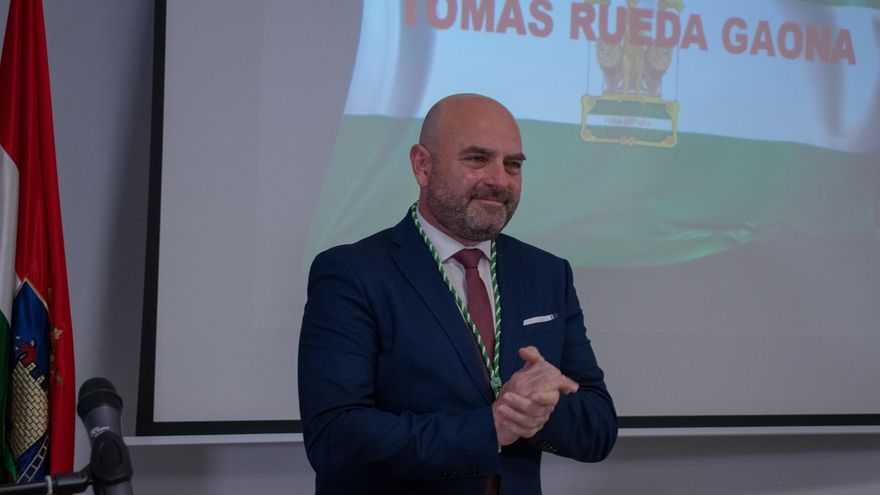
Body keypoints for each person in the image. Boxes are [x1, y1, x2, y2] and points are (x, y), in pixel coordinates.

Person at [298, 94, 617, 494]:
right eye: (476, 159)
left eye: (512, 164)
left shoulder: (548, 274)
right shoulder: (353, 273)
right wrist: (489, 429)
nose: (500, 180)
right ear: (422, 165)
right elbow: (335, 437)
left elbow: (599, 427)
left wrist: (536, 411)